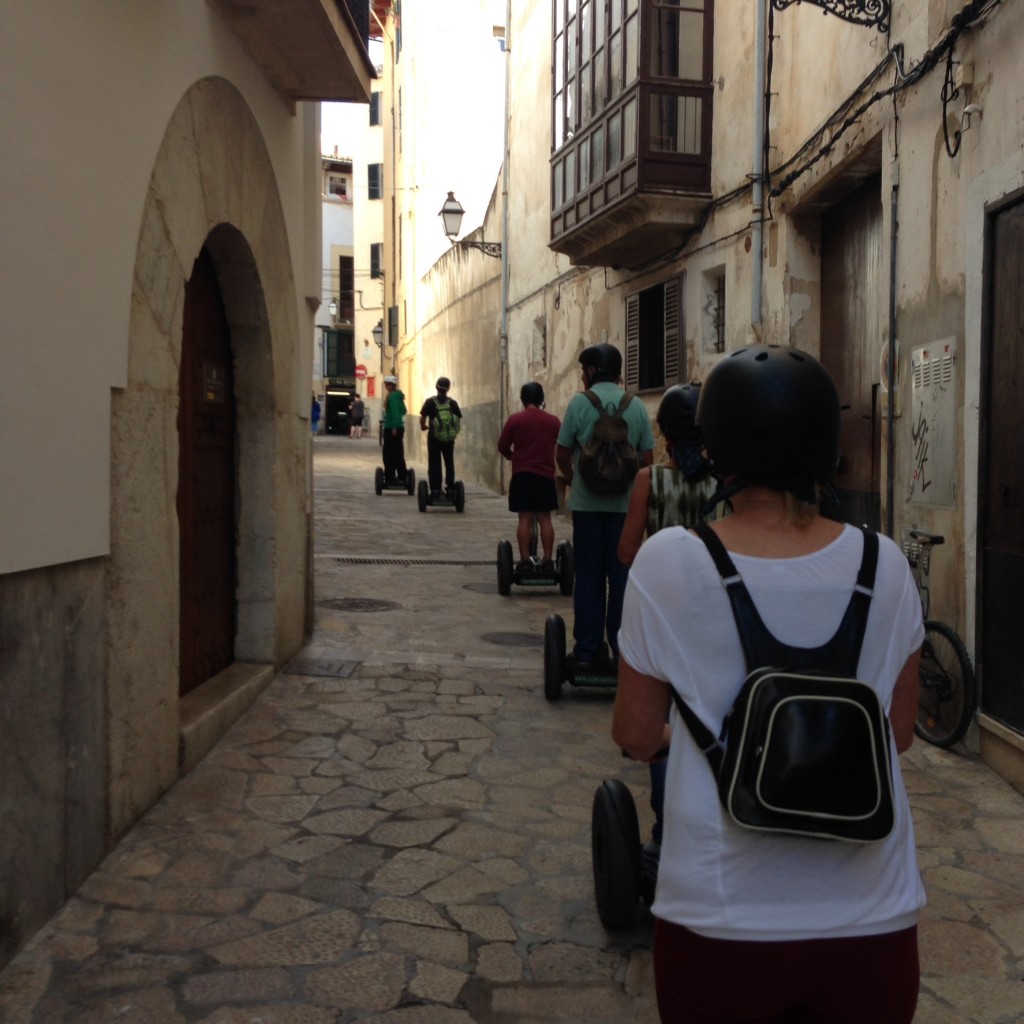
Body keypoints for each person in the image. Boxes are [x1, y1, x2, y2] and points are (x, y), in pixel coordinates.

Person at [612, 344, 925, 1024]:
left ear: (715, 444)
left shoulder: (670, 562)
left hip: (721, 919)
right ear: (823, 443)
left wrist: (709, 738)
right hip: (872, 918)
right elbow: (897, 735)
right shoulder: (888, 565)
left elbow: (636, 736)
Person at [615, 382, 717, 888]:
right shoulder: (725, 486)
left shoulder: (648, 481)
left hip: (666, 626)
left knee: (662, 728)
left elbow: (628, 553)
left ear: (664, 436)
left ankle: (665, 830)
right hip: (715, 624)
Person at [555, 343, 654, 670]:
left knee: (588, 575)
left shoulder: (579, 404)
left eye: (584, 370)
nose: (583, 377)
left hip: (587, 506)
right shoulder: (636, 405)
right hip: (626, 510)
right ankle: (622, 651)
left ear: (593, 371)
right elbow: (648, 460)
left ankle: (586, 650)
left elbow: (561, 451)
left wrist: (573, 479)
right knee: (622, 575)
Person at [497, 381, 562, 572]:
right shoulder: (553, 421)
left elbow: (502, 446)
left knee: (524, 518)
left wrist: (513, 456)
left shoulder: (515, 420)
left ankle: (525, 561)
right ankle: (549, 561)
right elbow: (564, 443)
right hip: (545, 475)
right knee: (545, 518)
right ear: (542, 399)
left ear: (523, 399)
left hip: (522, 475)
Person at [420, 377, 463, 500]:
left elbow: (422, 418)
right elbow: (457, 420)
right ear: (448, 389)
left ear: (436, 387)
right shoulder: (452, 403)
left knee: (434, 464)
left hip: (434, 438)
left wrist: (424, 426)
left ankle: (435, 490)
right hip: (449, 439)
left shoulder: (430, 402)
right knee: (449, 463)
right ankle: (450, 489)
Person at [381, 375, 408, 486]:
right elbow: (404, 410)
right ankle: (402, 476)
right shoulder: (398, 396)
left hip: (392, 428)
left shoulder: (392, 396)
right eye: (386, 384)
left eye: (388, 384)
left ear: (393, 385)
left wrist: (394, 426)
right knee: (398, 452)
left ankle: (390, 477)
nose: (387, 386)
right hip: (398, 427)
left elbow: (396, 412)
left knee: (388, 454)